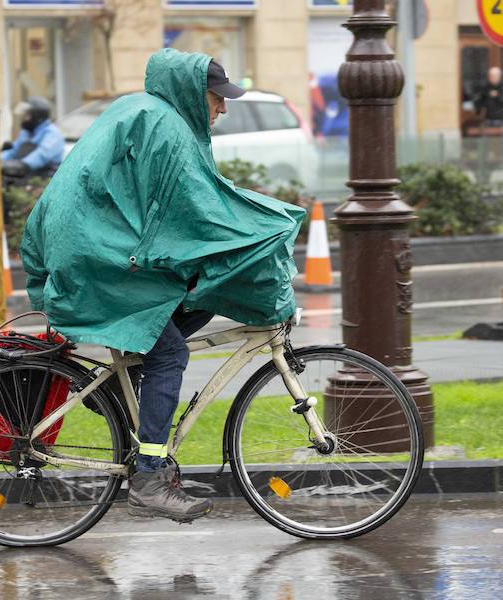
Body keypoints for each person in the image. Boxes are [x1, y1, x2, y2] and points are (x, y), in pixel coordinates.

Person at [21, 49, 305, 523]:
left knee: (193, 298)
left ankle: (124, 382)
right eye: (218, 98)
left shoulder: (144, 109)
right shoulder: (166, 127)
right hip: (96, 256)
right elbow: (198, 210)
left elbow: (189, 199)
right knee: (171, 353)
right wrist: (267, 225)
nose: (224, 108)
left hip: (88, 244)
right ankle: (149, 475)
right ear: (196, 94)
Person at [0, 96, 65, 177]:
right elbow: (13, 151)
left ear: (37, 116)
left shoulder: (52, 133)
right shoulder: (26, 132)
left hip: (47, 180)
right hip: (26, 177)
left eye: (27, 115)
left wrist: (22, 165)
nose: (23, 118)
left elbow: (41, 155)